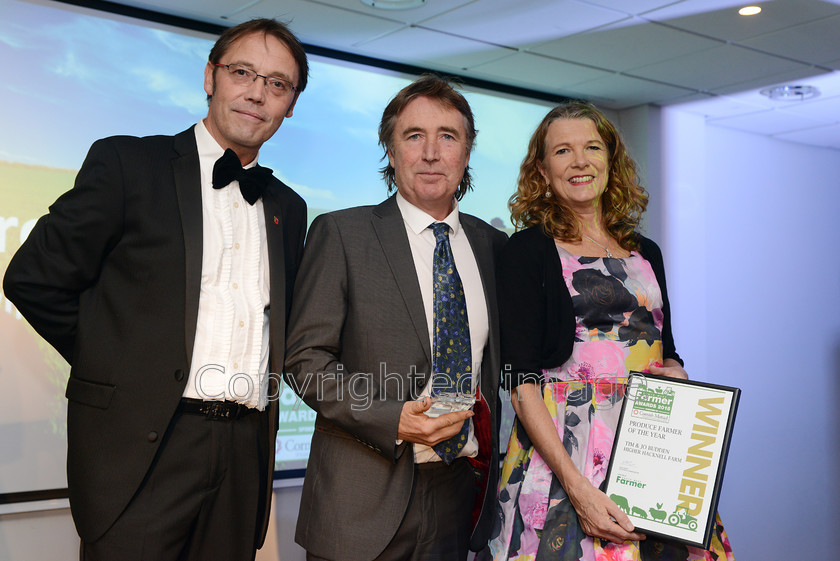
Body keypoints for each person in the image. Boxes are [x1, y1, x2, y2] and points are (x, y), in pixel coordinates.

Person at [3, 18, 308, 561]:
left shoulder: (289, 207)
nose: (257, 93)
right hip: (145, 448)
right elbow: (32, 278)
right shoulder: (128, 165)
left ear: (290, 105)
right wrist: (119, 361)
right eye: (243, 72)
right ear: (211, 77)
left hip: (244, 453)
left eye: (278, 84)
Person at [487, 102, 735, 560]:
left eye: (592, 147)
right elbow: (521, 384)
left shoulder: (647, 251)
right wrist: (577, 489)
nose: (579, 161)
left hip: (654, 445)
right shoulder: (526, 251)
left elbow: (669, 347)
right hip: (567, 452)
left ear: (610, 159)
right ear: (542, 171)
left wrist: (676, 373)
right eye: (563, 151)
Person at [285, 74, 507, 561]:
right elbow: (305, 361)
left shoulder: (493, 248)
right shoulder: (342, 233)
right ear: (390, 149)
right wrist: (394, 420)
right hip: (360, 500)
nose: (431, 153)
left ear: (466, 154)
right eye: (414, 136)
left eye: (447, 136)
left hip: (458, 492)